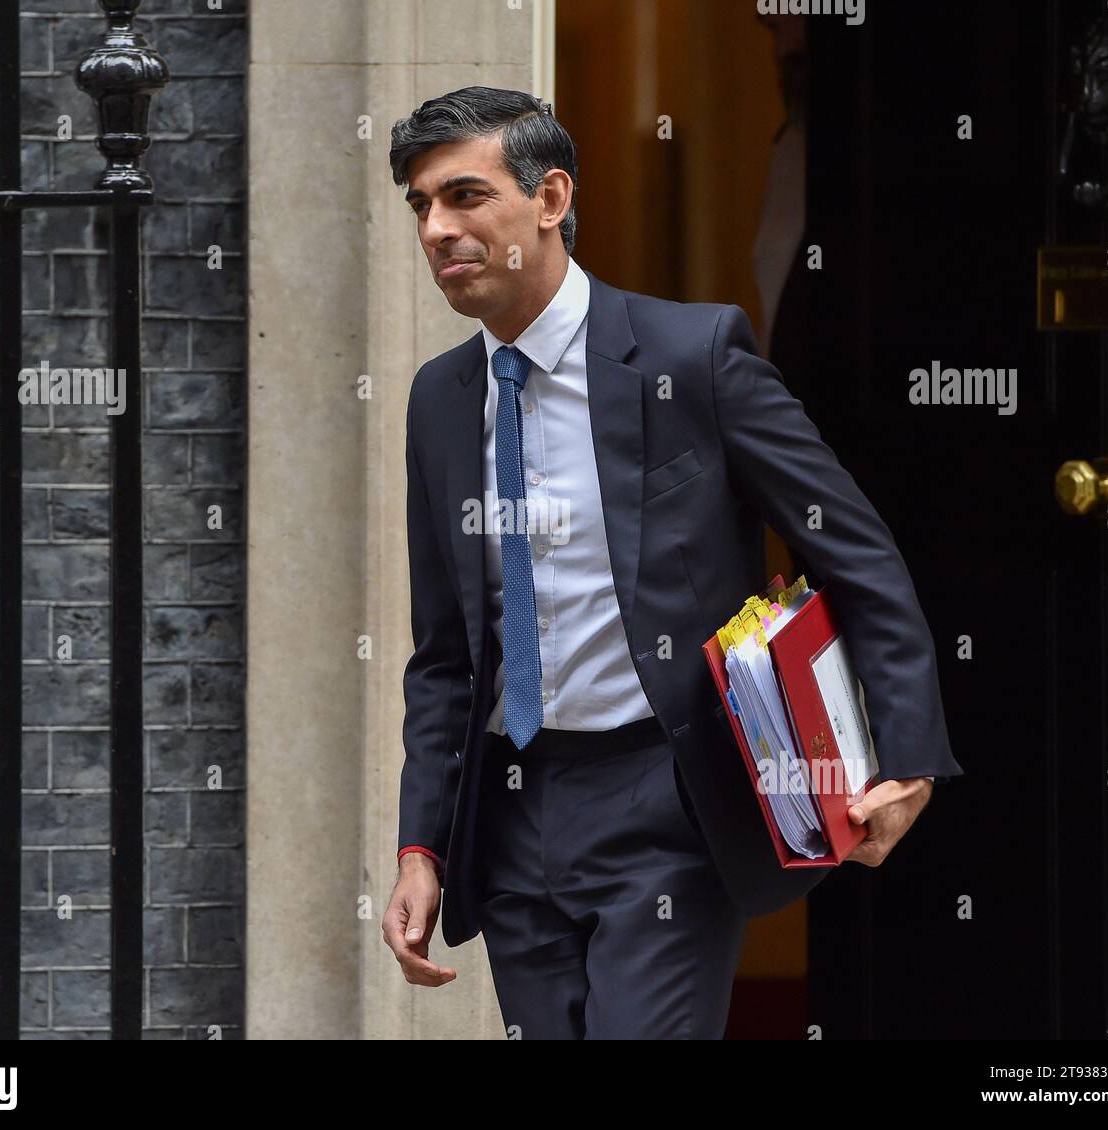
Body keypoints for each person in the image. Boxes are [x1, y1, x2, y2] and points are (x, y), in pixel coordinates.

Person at [381, 86, 963, 1039]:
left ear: (551, 199)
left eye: (465, 196)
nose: (439, 228)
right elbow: (445, 654)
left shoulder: (692, 356)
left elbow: (853, 550)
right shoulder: (440, 400)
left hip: (668, 805)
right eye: (421, 206)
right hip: (511, 817)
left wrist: (907, 756)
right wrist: (421, 846)